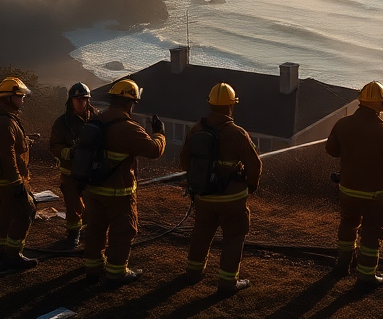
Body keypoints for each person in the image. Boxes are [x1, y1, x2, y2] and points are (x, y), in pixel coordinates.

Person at [81, 78, 167, 285]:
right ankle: (116, 273)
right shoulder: (128, 127)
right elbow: (154, 151)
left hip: (93, 189)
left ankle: (93, 269)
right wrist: (160, 134)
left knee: (95, 229)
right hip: (118, 192)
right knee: (123, 231)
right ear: (130, 103)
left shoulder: (95, 122)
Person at [179, 83, 262, 293]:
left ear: (211, 104)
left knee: (201, 235)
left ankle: (193, 273)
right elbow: (255, 166)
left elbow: (183, 163)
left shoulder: (195, 130)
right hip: (232, 200)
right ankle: (227, 282)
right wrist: (251, 185)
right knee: (234, 238)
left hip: (204, 196)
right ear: (231, 107)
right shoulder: (238, 134)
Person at [325, 81, 383, 287]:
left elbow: (332, 150)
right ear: (381, 103)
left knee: (348, 225)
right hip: (374, 195)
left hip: (347, 190)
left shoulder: (343, 124)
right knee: (372, 233)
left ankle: (342, 265)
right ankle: (366, 276)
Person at [0, 76, 38, 269]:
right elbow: (8, 156)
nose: (23, 99)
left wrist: (26, 141)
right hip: (10, 180)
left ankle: (0, 252)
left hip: (2, 178)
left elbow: (10, 146)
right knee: (26, 211)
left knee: (6, 212)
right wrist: (17, 182)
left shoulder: (6, 120)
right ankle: (13, 255)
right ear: (9, 98)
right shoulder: (5, 123)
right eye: (20, 96)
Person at [49, 82, 96, 248]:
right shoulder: (62, 123)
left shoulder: (97, 119)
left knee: (93, 205)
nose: (81, 103)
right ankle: (73, 235)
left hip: (92, 172)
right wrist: (69, 152)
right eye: (77, 99)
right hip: (70, 172)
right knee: (73, 205)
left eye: (84, 99)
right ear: (71, 101)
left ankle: (91, 232)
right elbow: (54, 146)